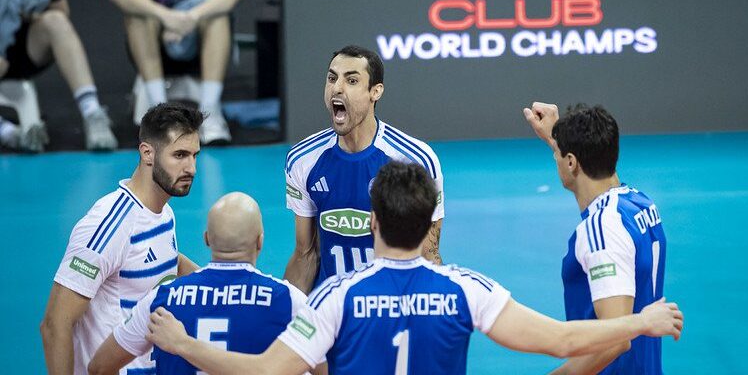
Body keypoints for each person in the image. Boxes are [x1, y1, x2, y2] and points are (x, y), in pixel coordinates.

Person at [145, 162, 683, 375]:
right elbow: (566, 341)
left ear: (373, 221)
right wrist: (642, 321)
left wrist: (183, 343)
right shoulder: (466, 288)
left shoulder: (334, 296)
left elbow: (266, 371)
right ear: (431, 225)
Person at [40, 102, 203, 375]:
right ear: (148, 153)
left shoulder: (163, 212)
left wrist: (217, 283)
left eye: (195, 155)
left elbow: (166, 260)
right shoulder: (108, 226)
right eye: (180, 155)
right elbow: (54, 325)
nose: (192, 168)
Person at [87, 192, 309, 375]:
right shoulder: (288, 301)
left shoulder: (161, 300)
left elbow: (99, 368)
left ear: (206, 239)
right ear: (260, 241)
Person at [284, 45, 445, 294]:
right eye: (332, 78)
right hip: (331, 309)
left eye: (351, 80)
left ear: (375, 91)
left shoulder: (415, 161)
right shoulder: (303, 159)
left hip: (390, 306)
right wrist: (289, 319)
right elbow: (305, 254)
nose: (337, 88)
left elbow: (428, 254)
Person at [524, 102, 669, 374]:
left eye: (559, 156)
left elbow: (614, 342)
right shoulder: (639, 203)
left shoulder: (603, 229)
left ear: (571, 162)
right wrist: (557, 138)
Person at [109, 0, 243, 145]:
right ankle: (160, 115)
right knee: (137, 15)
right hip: (157, 35)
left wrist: (192, 18)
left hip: (198, 33)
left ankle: (211, 113)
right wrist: (166, 17)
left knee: (218, 16)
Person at [0, 0, 117, 152]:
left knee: (56, 21)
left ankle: (92, 113)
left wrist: (30, 13)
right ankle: (10, 134)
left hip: (22, 50)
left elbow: (61, 10)